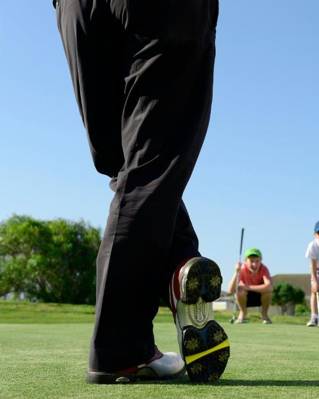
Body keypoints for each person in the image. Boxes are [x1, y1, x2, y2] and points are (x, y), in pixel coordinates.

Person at [54, 0, 228, 383]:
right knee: (150, 166)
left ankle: (179, 259)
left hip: (76, 9)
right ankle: (122, 348)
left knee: (123, 161)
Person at [227, 248, 273, 324]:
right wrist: (236, 272)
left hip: (260, 298)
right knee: (239, 290)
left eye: (257, 261)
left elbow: (269, 287)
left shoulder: (264, 269)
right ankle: (243, 313)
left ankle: (264, 315)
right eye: (251, 261)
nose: (254, 264)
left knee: (268, 292)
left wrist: (246, 287)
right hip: (245, 298)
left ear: (261, 260)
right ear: (245, 261)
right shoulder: (241, 269)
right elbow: (230, 291)